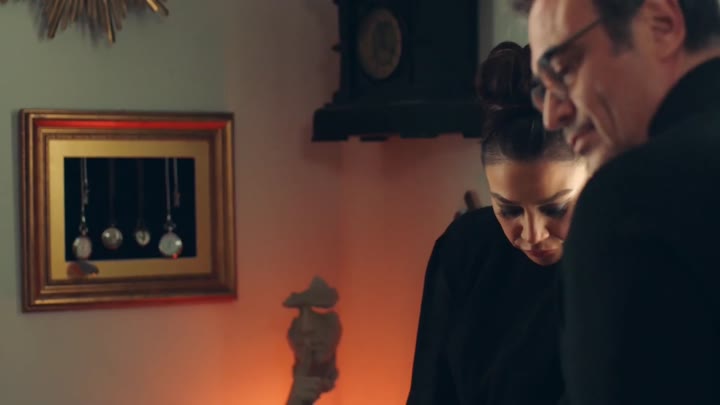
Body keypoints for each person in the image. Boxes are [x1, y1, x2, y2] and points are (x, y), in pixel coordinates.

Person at [512, 0, 720, 403]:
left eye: (565, 70)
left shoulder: (628, 202)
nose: (552, 115)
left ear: (661, 25)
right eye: (543, 90)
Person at [406, 41, 588, 405]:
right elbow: (428, 392)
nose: (532, 235)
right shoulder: (464, 249)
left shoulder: (620, 262)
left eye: (555, 209)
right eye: (509, 209)